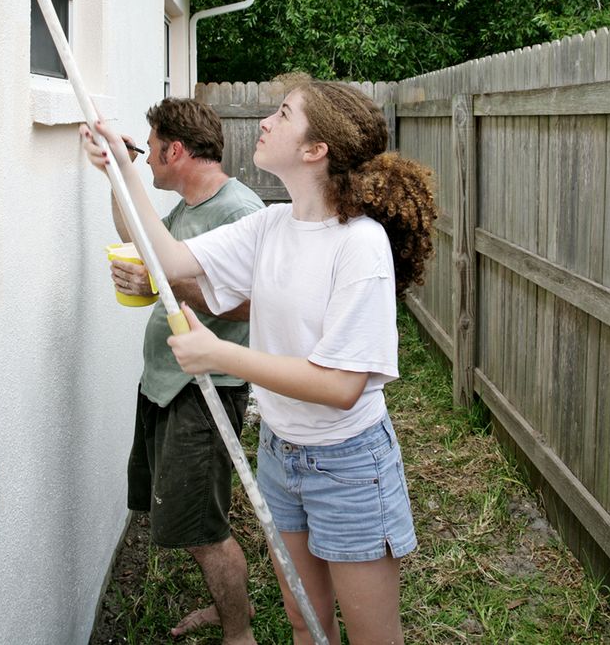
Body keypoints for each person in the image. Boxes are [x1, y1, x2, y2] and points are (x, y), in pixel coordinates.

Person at [82, 77, 437, 645]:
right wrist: (122, 171)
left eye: (282, 113)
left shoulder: (359, 244)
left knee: (373, 638)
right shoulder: (272, 225)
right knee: (305, 621)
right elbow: (171, 258)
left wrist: (220, 354)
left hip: (348, 464)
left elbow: (343, 384)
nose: (266, 122)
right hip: (279, 452)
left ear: (314, 150)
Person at [106, 97, 264, 644]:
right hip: (167, 384)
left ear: (175, 149)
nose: (147, 159)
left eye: (150, 149)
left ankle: (239, 633)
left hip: (206, 390)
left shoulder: (238, 210)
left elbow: (254, 303)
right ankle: (225, 612)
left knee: (204, 529)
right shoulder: (190, 207)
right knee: (188, 520)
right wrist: (114, 174)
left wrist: (163, 285)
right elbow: (142, 246)